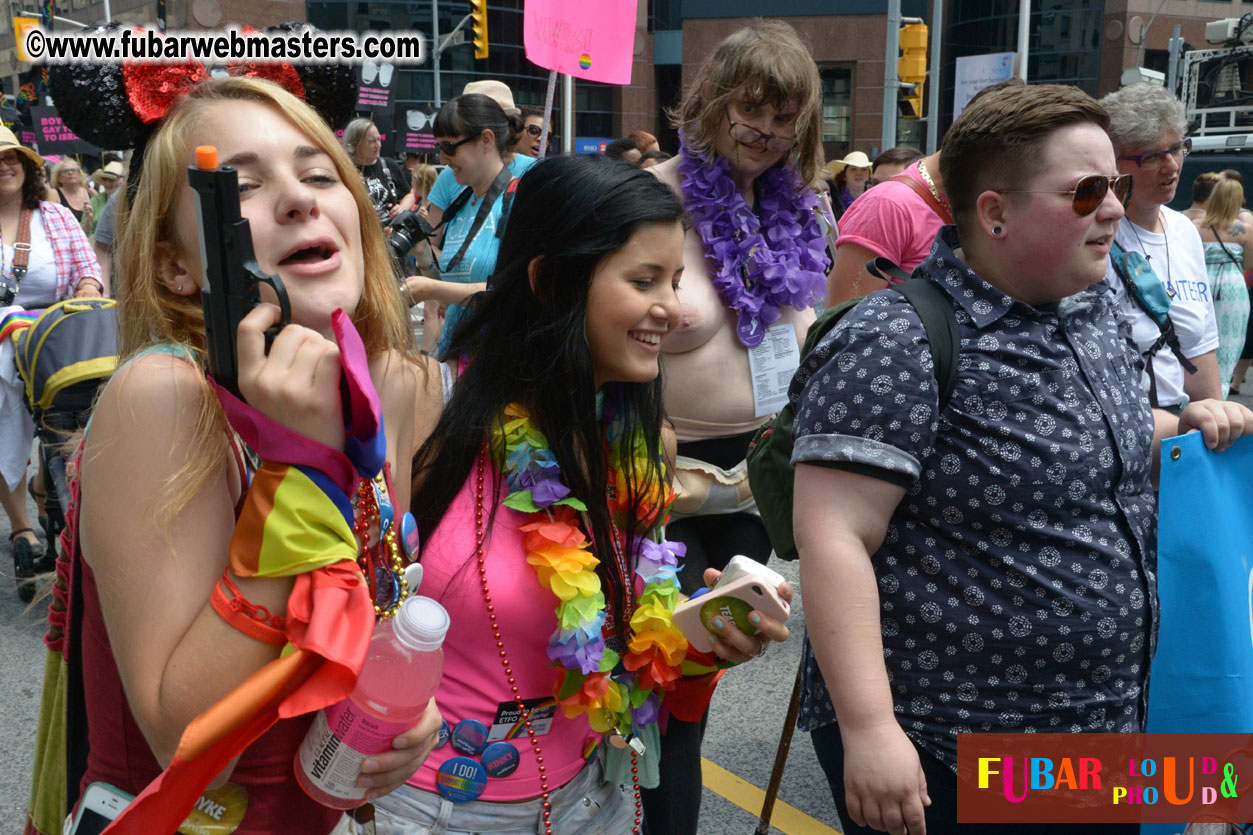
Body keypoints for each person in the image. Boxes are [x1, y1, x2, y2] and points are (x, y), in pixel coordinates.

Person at [792, 82, 1253, 835]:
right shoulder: (893, 340)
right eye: (1085, 191)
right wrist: (871, 731)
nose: (1112, 206)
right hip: (958, 744)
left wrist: (1178, 420)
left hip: (1101, 738)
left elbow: (1080, 428)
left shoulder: (1094, 304)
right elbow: (833, 533)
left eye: (1116, 185)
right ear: (994, 213)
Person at [373, 153, 791, 834]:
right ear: (549, 279)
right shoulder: (424, 399)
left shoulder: (642, 443)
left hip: (589, 800)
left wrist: (703, 640)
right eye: (644, 279)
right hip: (430, 808)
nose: (674, 308)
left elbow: (619, 648)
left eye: (677, 280)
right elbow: (342, 602)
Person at [71, 76, 445, 832]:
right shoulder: (166, 398)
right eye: (239, 184)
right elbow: (189, 744)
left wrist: (404, 703)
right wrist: (301, 470)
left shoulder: (392, 385)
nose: (301, 198)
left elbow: (375, 603)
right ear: (177, 265)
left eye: (318, 173)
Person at [647, 19, 827, 834]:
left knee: (717, 668)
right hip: (663, 488)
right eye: (752, 110)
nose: (767, 132)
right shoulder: (652, 199)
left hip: (762, 483)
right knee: (664, 689)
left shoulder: (795, 209)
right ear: (713, 101)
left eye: (785, 117)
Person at [0, 128, 102, 593]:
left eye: (11, 157)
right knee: (3, 424)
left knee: (64, 422)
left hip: (53, 337)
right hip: (0, 343)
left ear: (25, 165)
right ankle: (22, 526)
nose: (4, 165)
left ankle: (45, 486)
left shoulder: (56, 217)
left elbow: (89, 269)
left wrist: (87, 289)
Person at [1102, 83, 1222, 410]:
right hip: (1125, 429)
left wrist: (1214, 440)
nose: (1171, 165)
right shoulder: (1096, 236)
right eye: (1152, 156)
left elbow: (1200, 351)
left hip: (1181, 428)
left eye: (1177, 148)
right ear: (1113, 163)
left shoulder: (1185, 231)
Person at [403, 93, 525, 357]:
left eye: (449, 147)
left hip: (502, 361)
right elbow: (453, 297)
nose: (443, 160)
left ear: (486, 140)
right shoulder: (460, 203)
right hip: (458, 354)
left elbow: (516, 292)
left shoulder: (522, 199)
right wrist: (423, 255)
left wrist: (430, 289)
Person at [1193, 177, 1253, 393]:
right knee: (1229, 344)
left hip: (1199, 286)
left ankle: (1194, 392)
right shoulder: (1245, 230)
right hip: (1232, 288)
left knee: (1197, 341)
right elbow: (1249, 264)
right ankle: (1221, 392)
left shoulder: (1194, 227)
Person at [344, 118, 415, 224]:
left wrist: (401, 208)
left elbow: (410, 195)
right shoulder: (345, 171)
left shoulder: (388, 165)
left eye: (379, 139)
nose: (378, 145)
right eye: (371, 141)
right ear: (355, 145)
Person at [48, 157, 93, 227]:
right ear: (59, 178)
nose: (70, 173)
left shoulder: (90, 192)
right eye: (65, 171)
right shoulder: (53, 194)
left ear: (80, 175)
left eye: (74, 170)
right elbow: (50, 221)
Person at [827, 150, 873, 214]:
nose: (859, 173)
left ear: (869, 175)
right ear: (844, 176)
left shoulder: (875, 199)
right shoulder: (833, 200)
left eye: (864, 169)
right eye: (853, 169)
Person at [86, 159, 122, 236]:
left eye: (112, 180)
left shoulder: (129, 201)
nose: (108, 183)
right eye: (105, 179)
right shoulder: (95, 201)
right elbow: (84, 233)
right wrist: (88, 220)